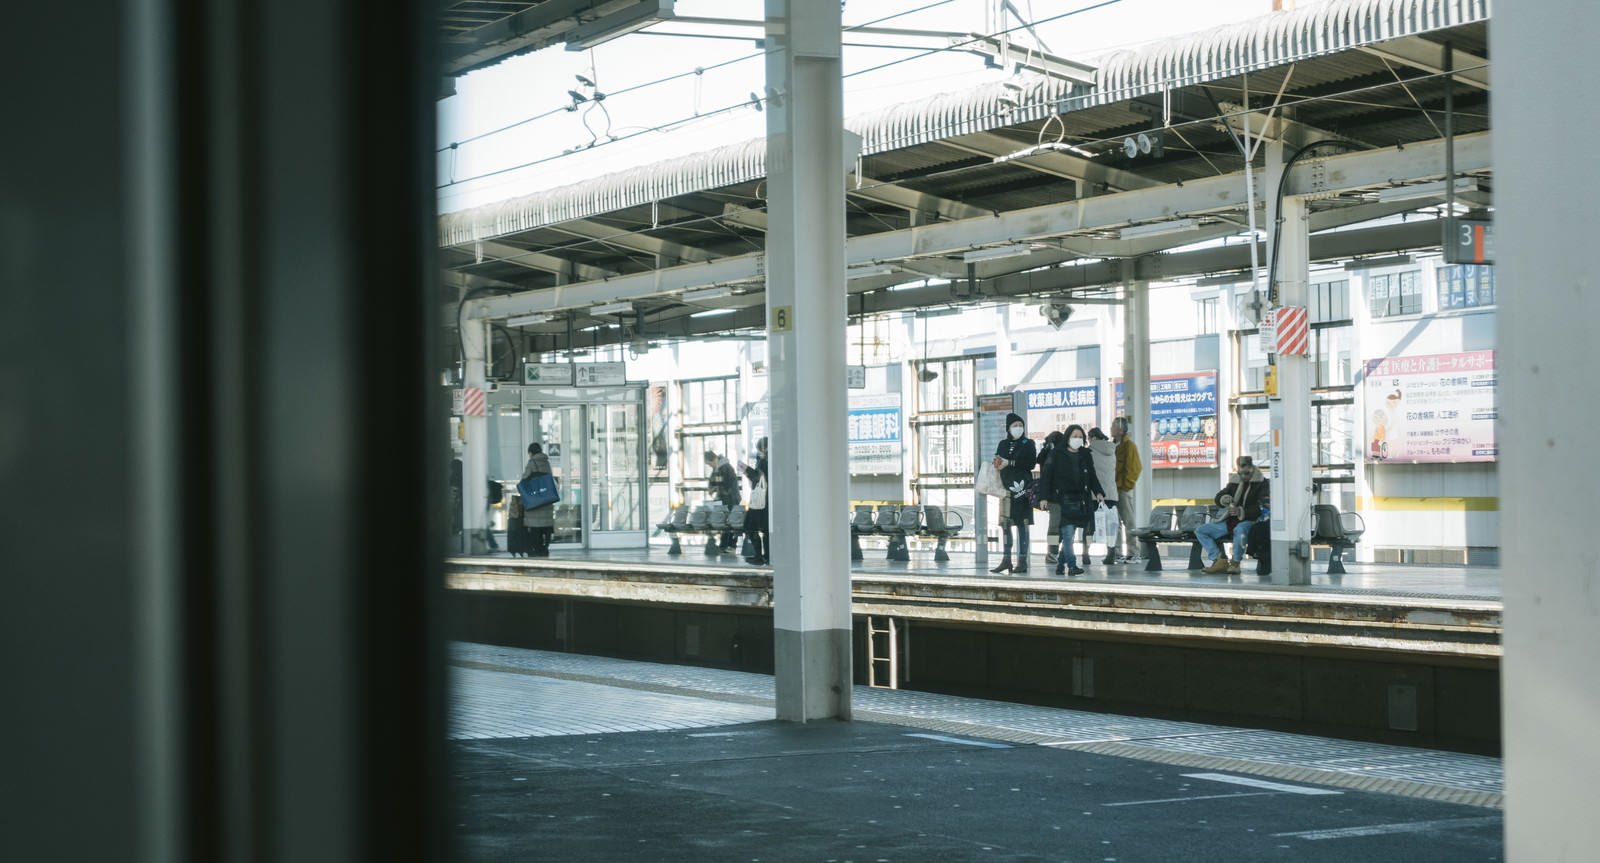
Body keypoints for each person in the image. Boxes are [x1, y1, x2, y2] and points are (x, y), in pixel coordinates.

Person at [1042, 424, 1103, 576]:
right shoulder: (1056, 454)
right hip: (1061, 500)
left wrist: (1098, 492)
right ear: (1067, 437)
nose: (1078, 439)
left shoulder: (1085, 454)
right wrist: (1043, 497)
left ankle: (1060, 565)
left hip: (1080, 500)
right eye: (1074, 436)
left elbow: (1092, 475)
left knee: (1071, 533)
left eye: (1080, 437)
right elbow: (1046, 476)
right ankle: (1072, 565)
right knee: (1068, 534)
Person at [1196, 455, 1269, 574]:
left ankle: (1235, 562)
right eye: (1241, 473)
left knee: (1240, 530)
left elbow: (1263, 506)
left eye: (1246, 473)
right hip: (1230, 521)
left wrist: (1242, 511)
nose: (1243, 476)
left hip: (1252, 521)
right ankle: (1219, 560)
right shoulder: (1234, 482)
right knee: (1201, 530)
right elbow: (1219, 496)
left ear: (1252, 470)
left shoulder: (1262, 483)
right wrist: (1224, 499)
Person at [989, 412, 1037, 574]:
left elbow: (1030, 463)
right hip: (1006, 488)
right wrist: (997, 463)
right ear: (1008, 428)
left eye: (1020, 425)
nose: (1018, 428)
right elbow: (998, 460)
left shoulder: (1028, 443)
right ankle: (1006, 559)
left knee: (1022, 525)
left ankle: (1022, 560)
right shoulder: (1003, 443)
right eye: (1015, 426)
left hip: (1022, 489)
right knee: (1006, 525)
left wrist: (1009, 463)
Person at [1111, 416, 1144, 562]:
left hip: (1123, 490)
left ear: (1120, 429)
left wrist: (1126, 487)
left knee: (1129, 521)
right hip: (1112, 490)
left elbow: (1135, 468)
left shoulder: (1129, 446)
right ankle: (1117, 552)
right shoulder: (1112, 446)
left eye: (1113, 426)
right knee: (1114, 522)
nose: (1111, 428)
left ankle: (1133, 552)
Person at [1084, 427, 1119, 565]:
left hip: (1095, 494)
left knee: (1089, 527)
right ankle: (1111, 554)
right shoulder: (1112, 450)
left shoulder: (1090, 451)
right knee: (1111, 526)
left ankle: (1086, 555)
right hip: (1111, 494)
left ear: (1092, 438)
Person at [521, 442, 556, 557]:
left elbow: (525, 479)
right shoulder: (546, 462)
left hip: (535, 500)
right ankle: (545, 548)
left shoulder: (532, 463)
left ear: (531, 453)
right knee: (545, 525)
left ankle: (537, 549)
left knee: (535, 526)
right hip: (546, 499)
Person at [1036, 431, 1065, 566]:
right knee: (1055, 525)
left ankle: (1055, 551)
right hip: (1053, 496)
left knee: (1058, 525)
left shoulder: (1061, 452)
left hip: (1059, 495)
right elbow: (1040, 461)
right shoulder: (1048, 452)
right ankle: (1053, 551)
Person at [704, 449, 742, 553]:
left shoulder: (727, 468)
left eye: (710, 463)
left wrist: (716, 487)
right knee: (723, 522)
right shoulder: (716, 469)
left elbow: (727, 486)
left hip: (731, 499)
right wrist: (712, 488)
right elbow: (712, 483)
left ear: (714, 459)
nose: (710, 466)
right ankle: (724, 544)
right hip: (722, 499)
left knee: (731, 522)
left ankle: (731, 545)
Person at [740, 436, 769, 565]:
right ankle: (766, 556)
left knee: (749, 525)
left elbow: (759, 479)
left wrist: (747, 471)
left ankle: (758, 555)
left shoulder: (764, 460)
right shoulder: (768, 459)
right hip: (766, 500)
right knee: (766, 529)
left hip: (761, 501)